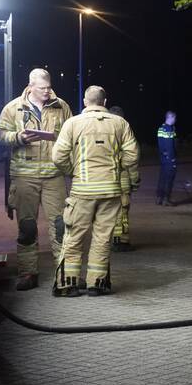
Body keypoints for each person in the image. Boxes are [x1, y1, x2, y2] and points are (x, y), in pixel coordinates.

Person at [52, 85, 139, 297]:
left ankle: (67, 285)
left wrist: (72, 171)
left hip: (82, 191)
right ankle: (96, 284)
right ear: (105, 101)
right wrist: (117, 168)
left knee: (73, 237)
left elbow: (58, 156)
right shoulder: (120, 124)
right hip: (110, 191)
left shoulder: (72, 124)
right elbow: (132, 155)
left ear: (84, 101)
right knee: (102, 239)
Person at [0, 68, 72, 291]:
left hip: (53, 176)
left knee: (60, 226)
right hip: (24, 176)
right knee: (27, 227)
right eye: (42, 88)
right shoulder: (13, 108)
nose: (47, 91)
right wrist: (18, 137)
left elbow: (71, 134)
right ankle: (28, 273)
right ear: (31, 86)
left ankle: (65, 273)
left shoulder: (61, 106)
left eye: (49, 87)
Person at [109, 106, 136, 251]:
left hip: (106, 179)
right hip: (122, 178)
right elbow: (132, 159)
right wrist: (135, 180)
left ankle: (114, 239)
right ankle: (121, 241)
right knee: (123, 210)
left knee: (110, 211)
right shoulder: (125, 132)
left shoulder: (103, 133)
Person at [156, 111, 178, 206]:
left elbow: (161, 145)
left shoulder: (161, 128)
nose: (175, 120)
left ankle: (159, 198)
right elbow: (170, 145)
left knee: (162, 178)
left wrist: (164, 155)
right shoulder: (170, 129)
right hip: (170, 159)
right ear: (171, 117)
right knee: (169, 179)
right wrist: (172, 158)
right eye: (175, 118)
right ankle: (166, 199)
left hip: (163, 158)